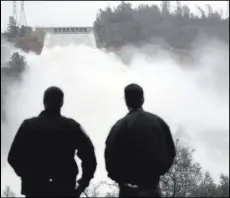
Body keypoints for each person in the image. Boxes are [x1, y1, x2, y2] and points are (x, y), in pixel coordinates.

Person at [8, 86, 97, 197]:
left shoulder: (28, 126)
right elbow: (89, 155)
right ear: (62, 103)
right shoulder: (72, 126)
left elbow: (13, 157)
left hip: (35, 189)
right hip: (65, 187)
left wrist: (28, 175)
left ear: (44, 101)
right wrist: (84, 181)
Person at [105, 83, 176, 197]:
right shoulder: (158, 122)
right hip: (153, 188)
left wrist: (120, 179)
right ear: (143, 99)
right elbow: (171, 151)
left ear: (126, 101)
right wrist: (158, 173)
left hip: (128, 190)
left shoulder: (120, 126)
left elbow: (110, 156)